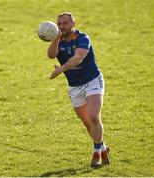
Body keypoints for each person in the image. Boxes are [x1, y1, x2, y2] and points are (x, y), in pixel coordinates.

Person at [47, 12, 110, 168]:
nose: (62, 26)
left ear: (73, 24)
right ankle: (102, 148)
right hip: (75, 87)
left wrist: (61, 69)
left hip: (92, 81)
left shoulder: (83, 38)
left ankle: (96, 154)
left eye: (65, 23)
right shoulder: (59, 40)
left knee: (94, 116)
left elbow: (78, 58)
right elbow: (51, 55)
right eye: (59, 24)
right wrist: (55, 39)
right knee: (88, 123)